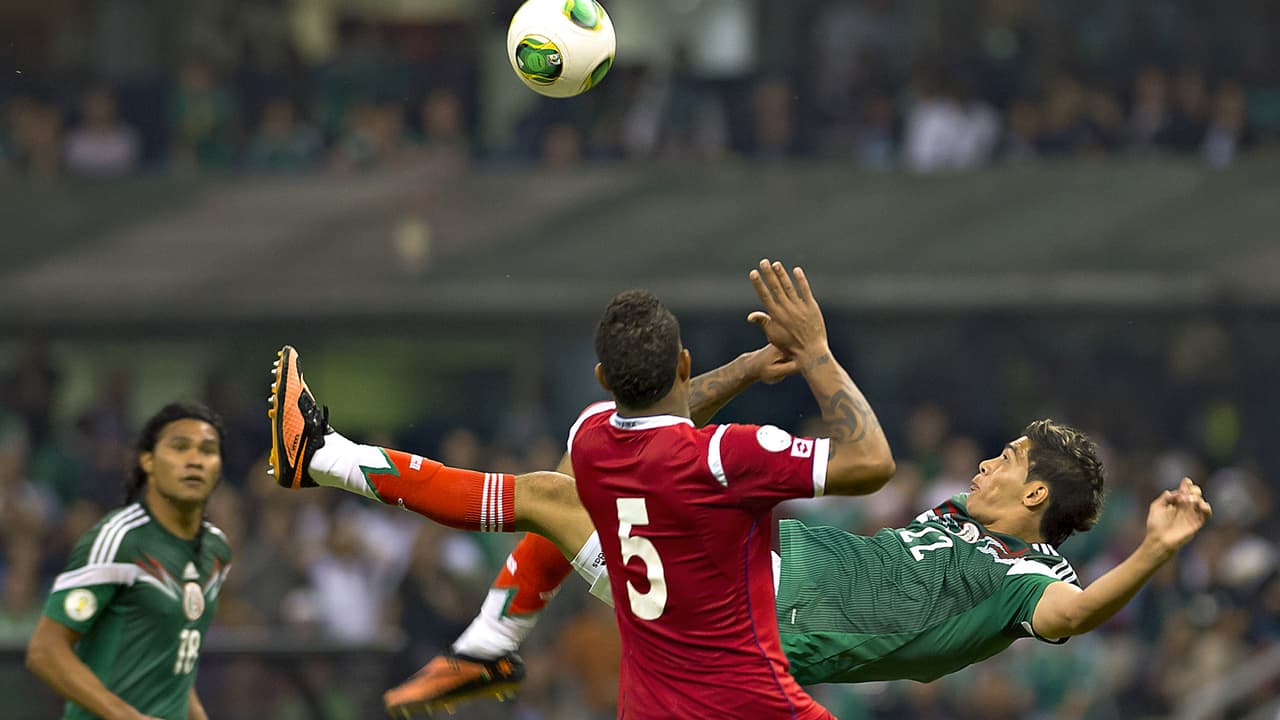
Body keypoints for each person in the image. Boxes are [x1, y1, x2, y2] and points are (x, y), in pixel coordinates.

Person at [268, 261, 1212, 716]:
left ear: (1039, 498)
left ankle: (457, 608)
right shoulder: (954, 515)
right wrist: (757, 368)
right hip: (733, 578)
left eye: (1007, 459)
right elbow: (665, 417)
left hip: (742, 625)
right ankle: (472, 629)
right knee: (561, 493)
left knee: (560, 493)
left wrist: (1157, 552)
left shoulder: (1025, 576)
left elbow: (1076, 614)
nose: (987, 463)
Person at [269, 259, 895, 718]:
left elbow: (658, 414)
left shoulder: (591, 437)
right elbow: (870, 461)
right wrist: (815, 351)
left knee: (539, 498)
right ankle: (484, 637)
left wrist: (748, 367)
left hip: (651, 676)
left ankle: (331, 460)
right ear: (682, 363)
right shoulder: (728, 454)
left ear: (601, 377)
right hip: (757, 678)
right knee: (543, 500)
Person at [26, 402, 233, 720]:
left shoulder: (216, 549)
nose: (194, 460)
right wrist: (126, 716)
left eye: (207, 450)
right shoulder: (119, 539)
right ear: (147, 461)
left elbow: (173, 659)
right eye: (179, 447)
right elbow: (45, 651)